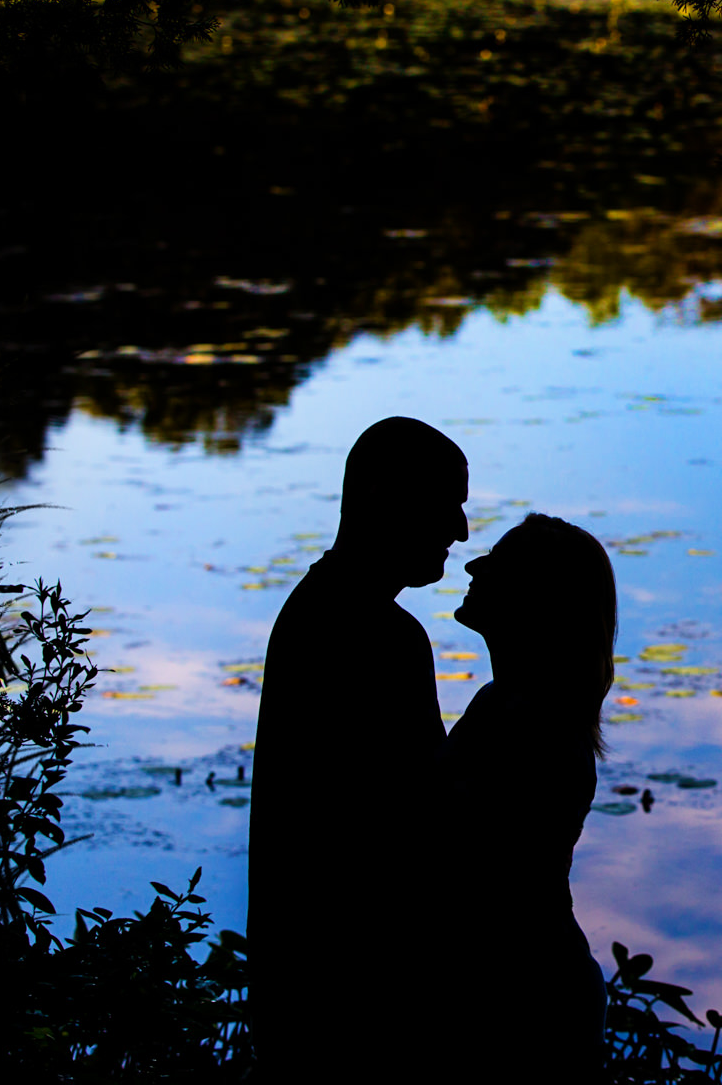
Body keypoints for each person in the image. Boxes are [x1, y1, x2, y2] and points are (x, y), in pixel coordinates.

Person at [247, 417, 468, 1079]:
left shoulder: (313, 608)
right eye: (447, 502)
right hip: (353, 1005)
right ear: (382, 495)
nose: (459, 529)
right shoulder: (381, 637)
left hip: (300, 991)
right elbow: (429, 826)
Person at [442, 512, 617, 1077]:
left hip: (526, 1007)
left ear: (535, 598)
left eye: (498, 561)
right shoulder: (514, 708)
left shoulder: (522, 721)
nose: (472, 565)